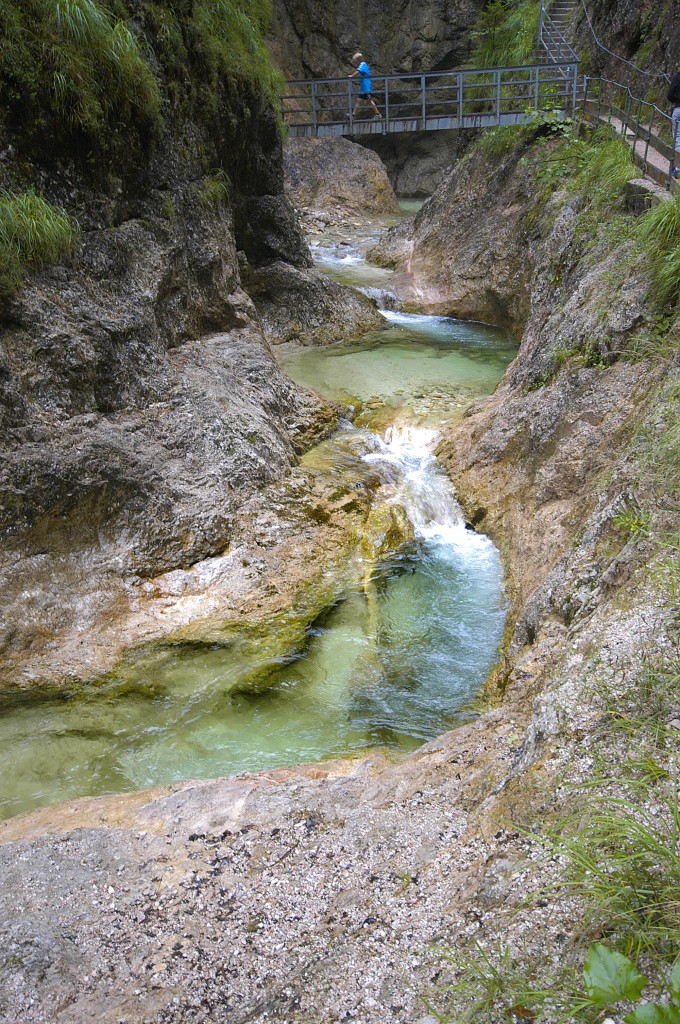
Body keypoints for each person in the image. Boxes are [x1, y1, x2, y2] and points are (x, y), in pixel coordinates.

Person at [348, 52, 382, 119]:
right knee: (359, 100)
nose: (356, 63)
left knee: (369, 101)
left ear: (359, 60)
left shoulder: (363, 64)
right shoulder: (363, 65)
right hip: (363, 88)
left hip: (366, 87)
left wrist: (351, 76)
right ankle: (353, 115)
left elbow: (358, 71)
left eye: (356, 61)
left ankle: (378, 114)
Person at [668, 71, 680, 179]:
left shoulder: (678, 76)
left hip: (679, 109)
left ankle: (677, 168)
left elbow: (670, 95)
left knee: (678, 138)